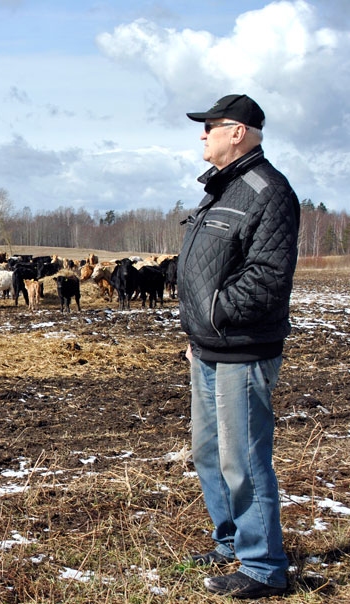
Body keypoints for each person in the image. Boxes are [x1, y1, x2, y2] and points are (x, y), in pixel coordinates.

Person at [178, 94, 300, 599]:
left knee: (243, 459)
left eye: (210, 126)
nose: (202, 135)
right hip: (207, 347)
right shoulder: (221, 189)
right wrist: (196, 332)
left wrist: (215, 314)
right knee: (208, 453)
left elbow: (269, 277)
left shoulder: (267, 191)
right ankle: (229, 541)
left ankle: (263, 567)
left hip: (243, 348)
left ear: (240, 132)